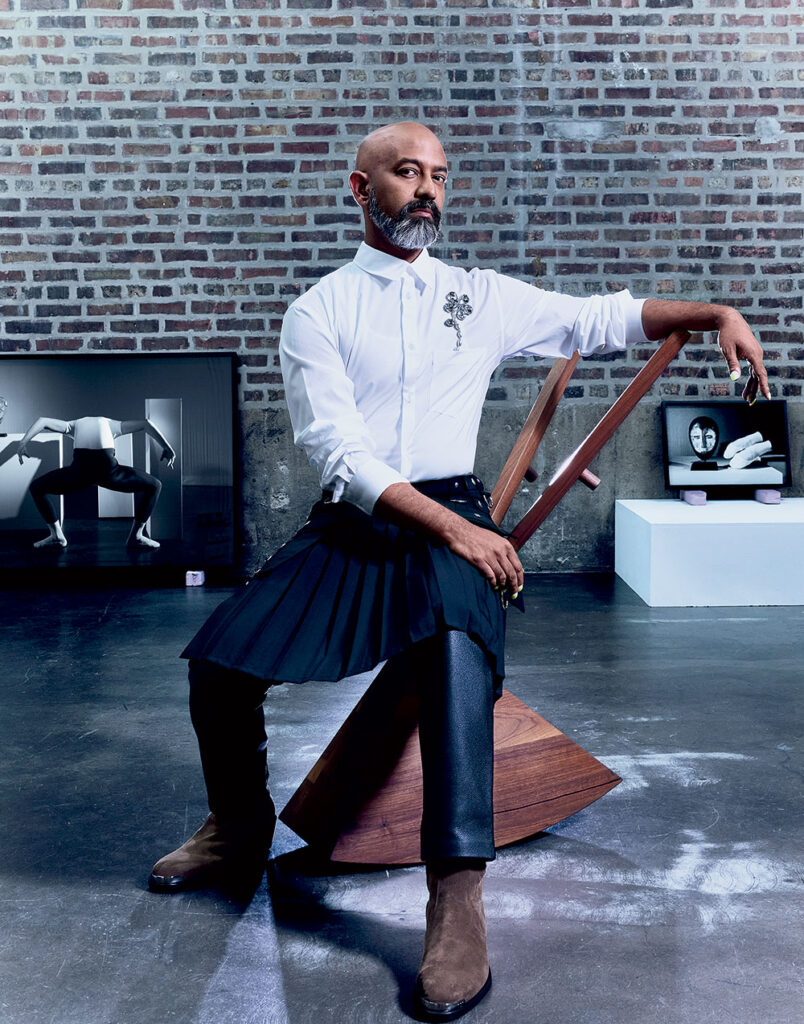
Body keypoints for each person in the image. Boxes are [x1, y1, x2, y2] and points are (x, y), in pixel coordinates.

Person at [148, 122, 769, 1022]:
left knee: (451, 645)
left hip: (454, 515)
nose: (428, 190)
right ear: (360, 191)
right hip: (361, 520)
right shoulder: (318, 309)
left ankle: (456, 895)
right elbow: (338, 454)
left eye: (439, 175)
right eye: (407, 174)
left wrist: (715, 313)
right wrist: (455, 532)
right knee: (219, 662)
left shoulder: (479, 297)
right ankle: (240, 827)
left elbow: (600, 319)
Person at [17, 414, 175, 549]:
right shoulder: (112, 424)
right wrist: (166, 447)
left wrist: (23, 443)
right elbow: (146, 423)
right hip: (107, 471)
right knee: (154, 485)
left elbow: (43, 421)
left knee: (37, 487)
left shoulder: (73, 425)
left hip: (81, 472)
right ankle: (136, 536)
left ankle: (57, 535)